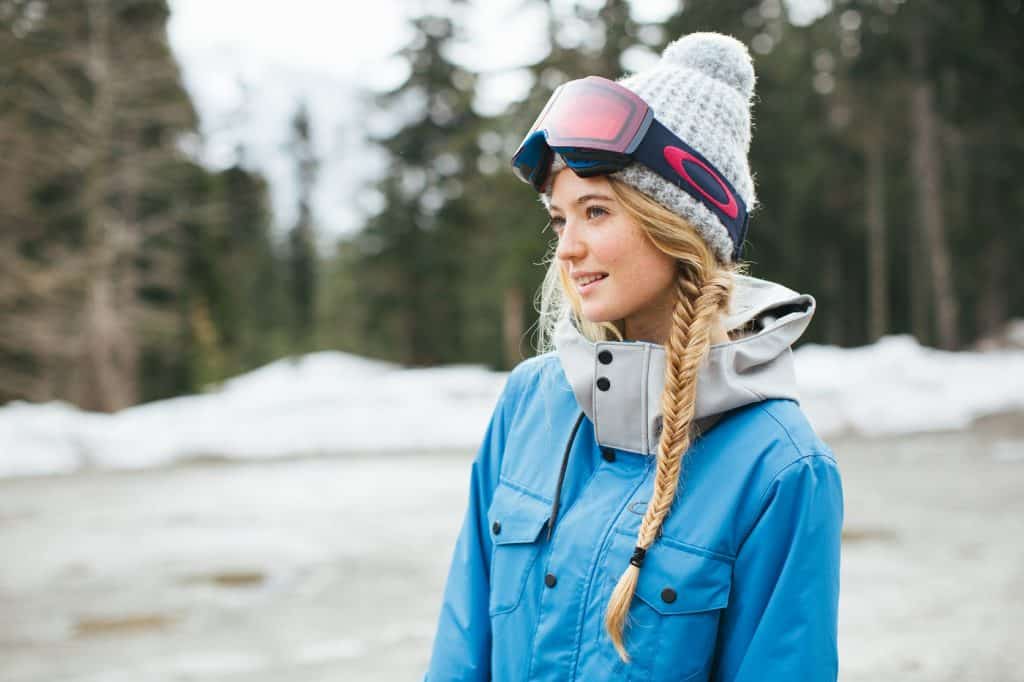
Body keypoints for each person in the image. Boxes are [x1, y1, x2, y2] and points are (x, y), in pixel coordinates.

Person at [424, 32, 843, 681]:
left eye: (596, 211)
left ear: (679, 226)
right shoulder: (529, 403)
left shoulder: (781, 465)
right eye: (560, 219)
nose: (566, 248)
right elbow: (460, 646)